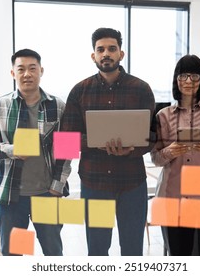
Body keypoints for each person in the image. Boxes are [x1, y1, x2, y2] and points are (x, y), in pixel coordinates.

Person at [56, 27, 155, 256]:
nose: (106, 53)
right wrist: (95, 142)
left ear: (122, 53)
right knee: (98, 250)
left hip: (132, 184)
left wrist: (132, 149)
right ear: (93, 55)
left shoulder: (141, 89)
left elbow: (153, 136)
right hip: (95, 184)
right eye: (100, 49)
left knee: (132, 250)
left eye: (112, 48)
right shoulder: (79, 91)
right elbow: (64, 143)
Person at [0, 48, 70, 256]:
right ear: (13, 73)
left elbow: (68, 149)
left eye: (32, 68)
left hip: (48, 194)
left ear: (41, 71)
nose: (27, 74)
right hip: (11, 196)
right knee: (14, 254)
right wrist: (12, 150)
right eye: (21, 69)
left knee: (53, 252)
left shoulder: (58, 106)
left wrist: (58, 186)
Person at [150, 54, 200, 256]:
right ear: (176, 80)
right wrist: (170, 151)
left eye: (194, 76)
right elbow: (155, 158)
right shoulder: (163, 115)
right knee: (178, 255)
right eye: (183, 76)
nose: (188, 81)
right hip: (171, 195)